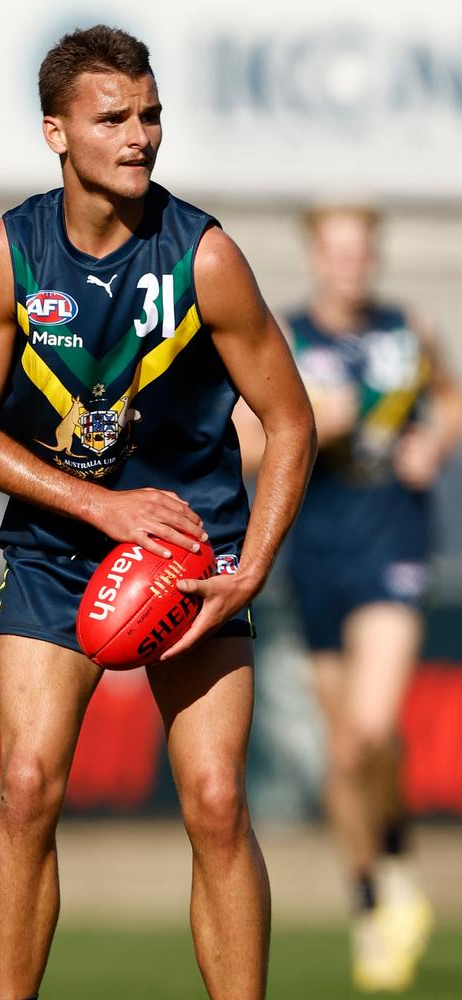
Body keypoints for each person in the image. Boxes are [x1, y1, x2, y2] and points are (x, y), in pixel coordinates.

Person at [0, 25, 315, 1000]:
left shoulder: (206, 258)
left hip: (194, 556)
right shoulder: (8, 254)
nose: (139, 135)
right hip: (60, 549)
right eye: (113, 118)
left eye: (149, 114)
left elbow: (289, 421)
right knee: (24, 789)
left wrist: (250, 568)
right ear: (56, 133)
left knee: (218, 799)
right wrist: (98, 507)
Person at [234, 205, 462, 992]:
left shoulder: (411, 327)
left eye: (362, 251)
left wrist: (435, 438)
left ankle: (393, 868)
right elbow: (245, 443)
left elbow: (450, 401)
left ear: (375, 256)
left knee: (368, 729)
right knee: (344, 750)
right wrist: (306, 431)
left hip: (394, 543)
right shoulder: (285, 339)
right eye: (337, 252)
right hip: (318, 550)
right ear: (316, 258)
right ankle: (373, 895)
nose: (351, 265)